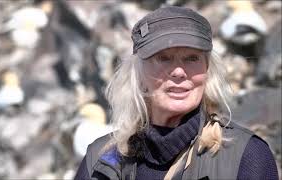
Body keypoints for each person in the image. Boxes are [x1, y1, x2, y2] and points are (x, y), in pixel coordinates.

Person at [74, 6, 278, 180]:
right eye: (163, 58)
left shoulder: (246, 158)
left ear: (208, 71)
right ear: (138, 73)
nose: (179, 72)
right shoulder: (99, 163)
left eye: (192, 58)